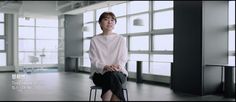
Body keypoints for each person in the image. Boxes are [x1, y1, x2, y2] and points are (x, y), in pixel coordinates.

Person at [89, 11, 128, 101]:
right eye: (106, 19)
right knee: (111, 77)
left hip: (118, 72)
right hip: (100, 74)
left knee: (112, 76)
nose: (110, 22)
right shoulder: (95, 40)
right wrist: (105, 67)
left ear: (115, 23)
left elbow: (124, 57)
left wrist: (117, 66)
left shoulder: (120, 39)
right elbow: (93, 60)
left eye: (112, 20)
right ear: (100, 23)